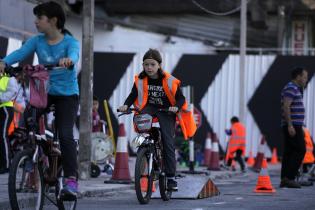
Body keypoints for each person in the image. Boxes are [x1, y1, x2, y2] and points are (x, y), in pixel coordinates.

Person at [0, 1, 80, 198]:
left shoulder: (70, 42)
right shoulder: (37, 41)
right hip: (45, 92)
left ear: (53, 20)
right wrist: (4, 62)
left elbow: (74, 54)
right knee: (28, 120)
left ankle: (71, 180)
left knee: (67, 134)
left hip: (67, 95)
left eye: (39, 18)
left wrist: (68, 60)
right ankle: (37, 153)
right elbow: (20, 53)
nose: (35, 21)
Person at [118, 49, 196, 191]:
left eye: (152, 64)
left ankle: (171, 177)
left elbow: (181, 98)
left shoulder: (169, 80)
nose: (149, 68)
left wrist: (176, 108)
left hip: (166, 110)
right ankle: (147, 149)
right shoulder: (140, 80)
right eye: (146, 64)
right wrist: (125, 105)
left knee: (167, 141)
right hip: (149, 107)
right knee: (143, 129)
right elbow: (132, 94)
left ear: (159, 65)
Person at [280, 67, 308, 188]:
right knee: (300, 150)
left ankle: (285, 178)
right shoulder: (291, 87)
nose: (306, 80)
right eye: (305, 77)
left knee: (289, 152)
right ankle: (289, 178)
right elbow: (286, 107)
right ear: (298, 77)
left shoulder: (295, 88)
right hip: (292, 125)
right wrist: (291, 125)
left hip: (295, 125)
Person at [0, 73, 19, 174]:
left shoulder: (9, 78)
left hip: (5, 109)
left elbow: (12, 92)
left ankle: (6, 165)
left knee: (2, 136)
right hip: (2, 108)